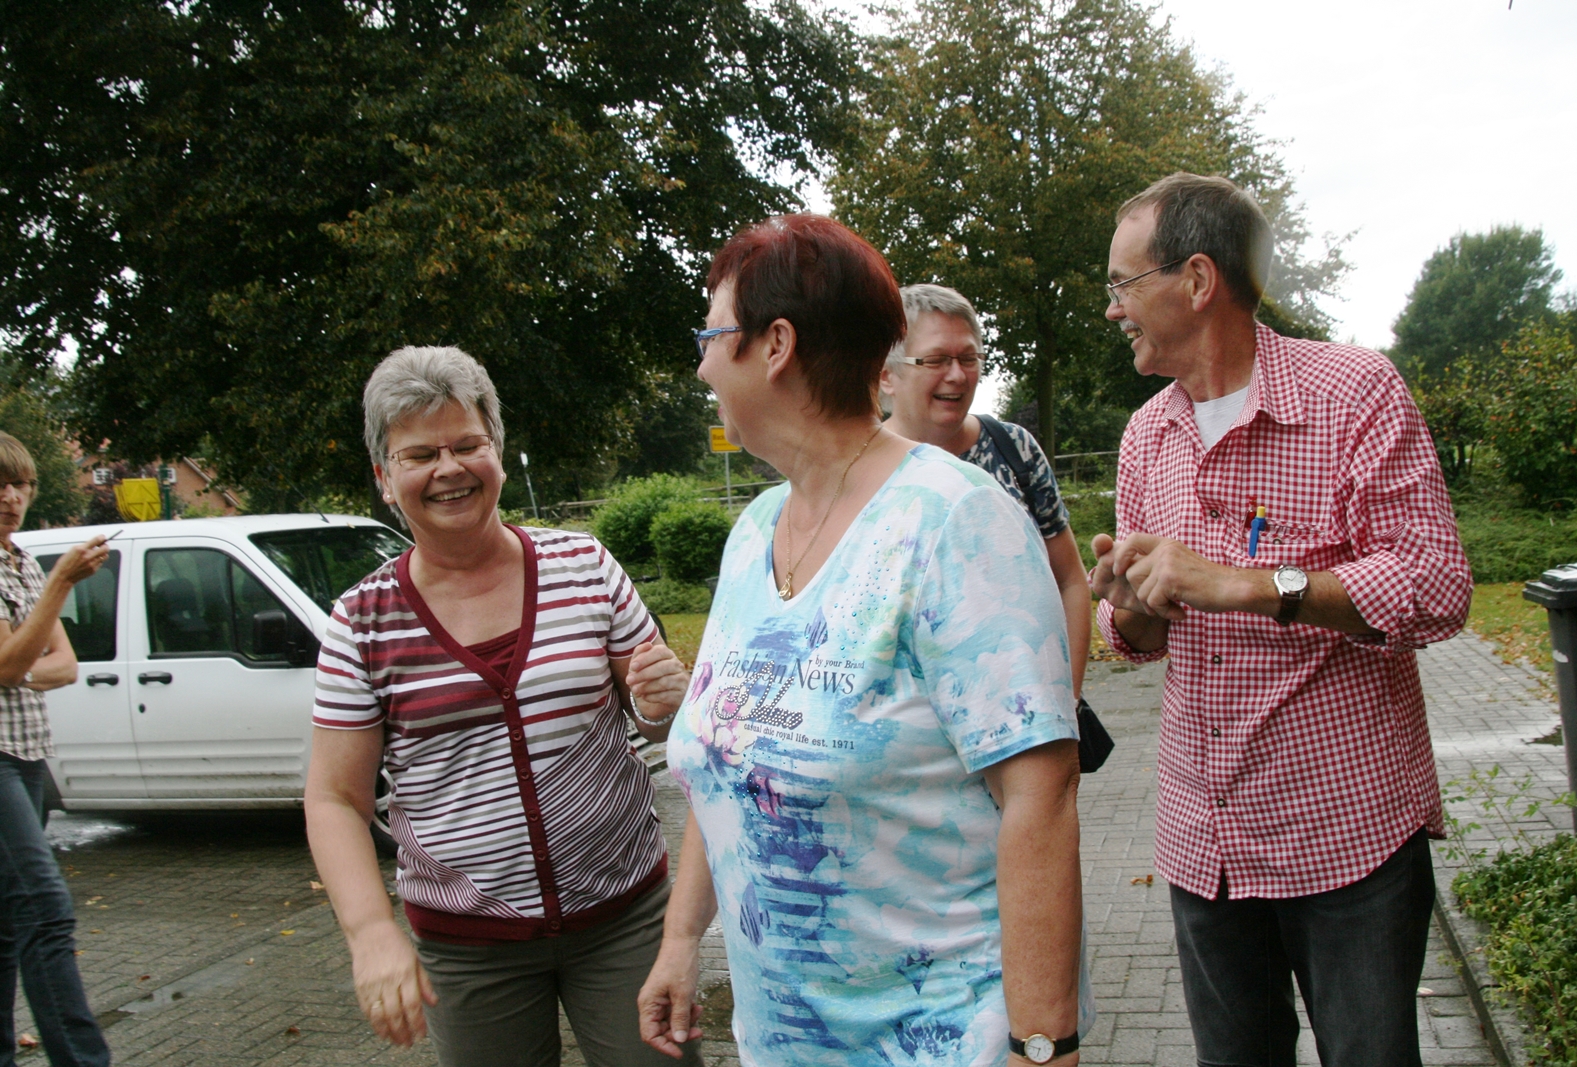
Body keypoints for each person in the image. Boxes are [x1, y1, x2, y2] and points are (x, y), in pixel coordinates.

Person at [637, 215, 1092, 1067]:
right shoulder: (754, 531)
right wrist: (680, 939)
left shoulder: (955, 520)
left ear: (776, 345)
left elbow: (1042, 794)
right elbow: (730, 756)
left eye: (711, 336)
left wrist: (1044, 1046)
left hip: (941, 1041)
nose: (701, 366)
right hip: (785, 1043)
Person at [1090, 172, 1472, 1067]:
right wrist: (1134, 609)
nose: (1112, 309)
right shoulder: (1146, 436)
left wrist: (1247, 583)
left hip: (1347, 836)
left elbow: (1436, 584)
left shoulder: (1354, 392)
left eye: (1122, 284)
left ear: (1196, 279)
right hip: (1206, 840)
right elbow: (1139, 641)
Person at [304, 347, 694, 1067]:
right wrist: (370, 933)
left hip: (626, 919)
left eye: (467, 445)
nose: (448, 468)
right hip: (468, 950)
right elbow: (334, 798)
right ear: (385, 478)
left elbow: (659, 716)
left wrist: (662, 701)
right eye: (420, 454)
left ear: (498, 455)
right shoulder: (361, 623)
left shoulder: (585, 566)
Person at [879, 283, 1094, 707]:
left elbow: (1070, 580)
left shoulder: (1014, 449)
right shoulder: (860, 470)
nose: (957, 375)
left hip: (1028, 713)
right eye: (936, 360)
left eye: (969, 358)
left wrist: (1064, 700)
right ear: (887, 374)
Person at [0, 431, 113, 1067]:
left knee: (7, 921)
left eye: (21, 484)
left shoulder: (21, 563)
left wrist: (17, 663)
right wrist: (61, 584)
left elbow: (63, 665)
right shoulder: (41, 574)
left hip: (25, 753)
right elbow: (12, 663)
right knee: (45, 910)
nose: (11, 497)